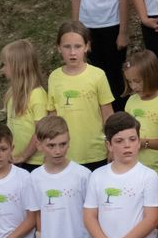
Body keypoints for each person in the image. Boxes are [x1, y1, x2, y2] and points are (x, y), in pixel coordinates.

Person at [47, 21, 114, 168]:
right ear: (58, 47)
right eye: (67, 46)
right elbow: (53, 116)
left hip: (96, 152)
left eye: (77, 46)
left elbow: (108, 115)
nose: (72, 52)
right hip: (65, 153)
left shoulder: (98, 75)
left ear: (87, 46)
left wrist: (111, 144)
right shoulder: (54, 77)